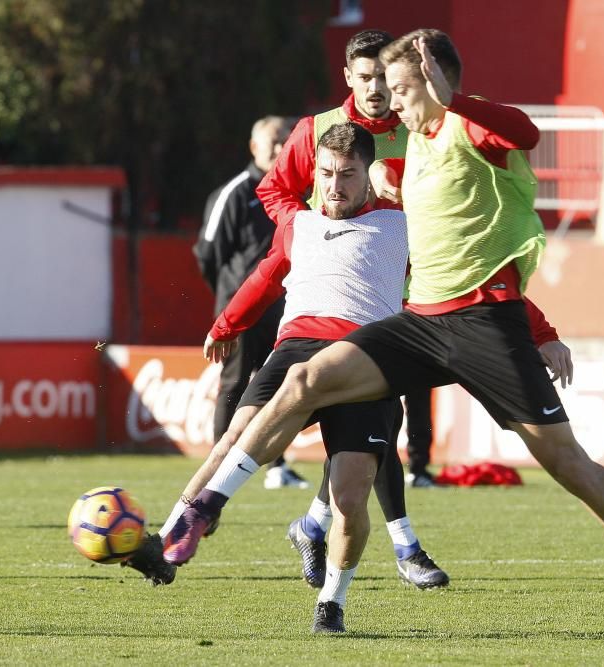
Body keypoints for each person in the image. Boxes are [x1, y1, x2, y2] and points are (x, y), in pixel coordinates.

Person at [164, 29, 604, 641]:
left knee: (565, 461)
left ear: (436, 82)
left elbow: (524, 134)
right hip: (420, 323)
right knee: (305, 378)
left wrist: (541, 330)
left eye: (402, 89)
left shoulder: (471, 131)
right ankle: (206, 509)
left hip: (485, 324)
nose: (391, 103)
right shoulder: (409, 154)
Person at [255, 29, 451, 584]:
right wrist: (313, 233)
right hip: (337, 294)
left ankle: (317, 524)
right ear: (347, 77)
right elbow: (275, 193)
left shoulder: (422, 130)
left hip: (413, 287)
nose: (375, 90)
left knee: (376, 420)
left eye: (383, 79)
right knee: (376, 411)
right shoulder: (315, 132)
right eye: (363, 77)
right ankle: (404, 546)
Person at [193, 115, 309, 490]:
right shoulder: (235, 193)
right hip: (242, 315)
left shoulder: (296, 192)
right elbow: (207, 255)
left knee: (278, 388)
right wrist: (230, 300)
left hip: (284, 311)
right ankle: (216, 467)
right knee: (235, 386)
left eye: (284, 141)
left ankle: (277, 465)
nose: (279, 149)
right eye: (272, 141)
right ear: (254, 147)